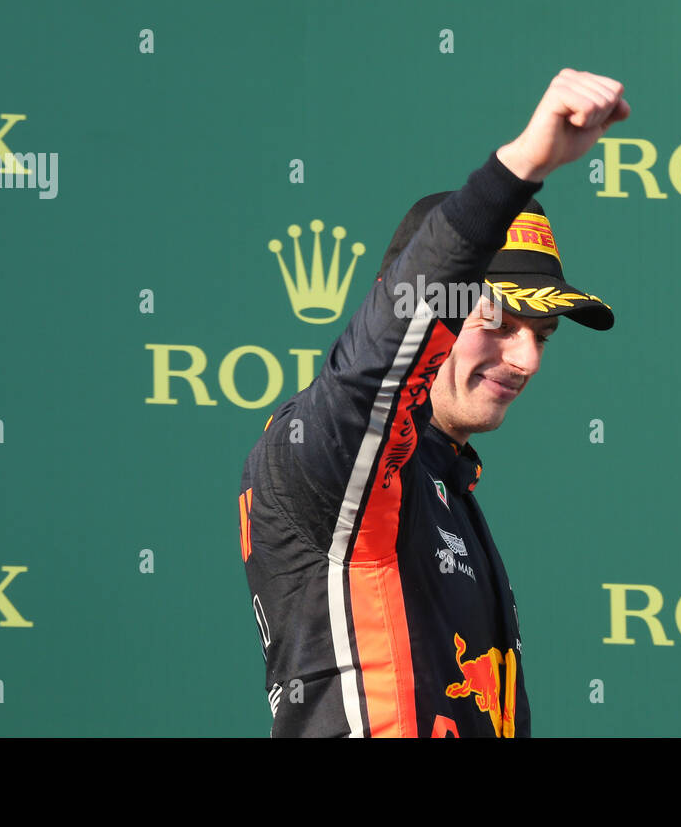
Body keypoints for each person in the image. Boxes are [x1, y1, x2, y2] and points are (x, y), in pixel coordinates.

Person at [238, 69, 630, 737]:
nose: (527, 358)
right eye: (499, 323)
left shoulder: (448, 481)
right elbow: (378, 363)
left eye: (541, 334)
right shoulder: (329, 454)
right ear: (434, 320)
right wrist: (519, 169)